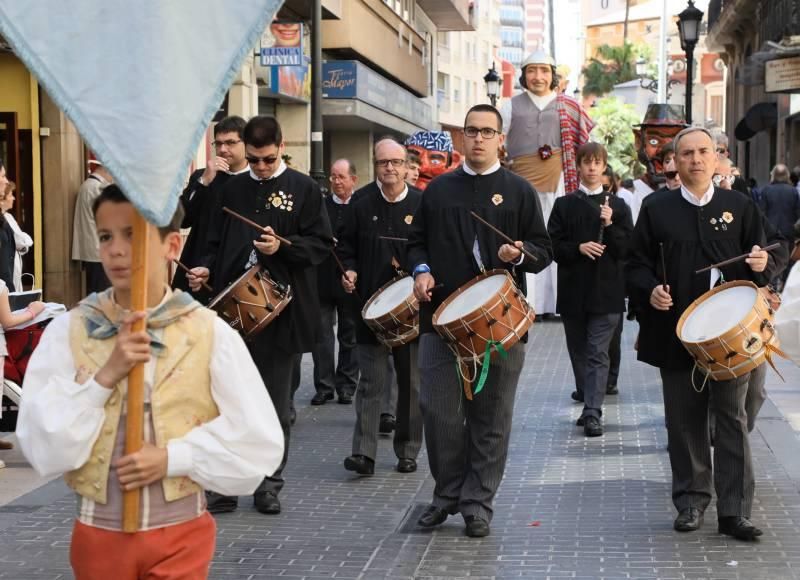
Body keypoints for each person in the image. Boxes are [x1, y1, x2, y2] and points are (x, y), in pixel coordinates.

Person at [16, 184, 283, 579]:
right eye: (105, 236)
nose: (116, 250)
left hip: (180, 537)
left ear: (171, 245)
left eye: (132, 235)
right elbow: (42, 444)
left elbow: (258, 439)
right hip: (100, 538)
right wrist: (105, 378)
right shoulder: (70, 331)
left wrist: (174, 458)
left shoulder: (207, 332)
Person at [408, 104, 553, 537]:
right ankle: (447, 494)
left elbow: (544, 251)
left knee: (491, 418)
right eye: (471, 131)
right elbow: (416, 243)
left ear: (500, 139)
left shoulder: (519, 190)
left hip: (499, 324)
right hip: (441, 320)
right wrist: (421, 270)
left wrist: (520, 254)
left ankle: (477, 503)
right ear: (462, 137)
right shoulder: (438, 190)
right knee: (438, 412)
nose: (478, 138)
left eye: (487, 132)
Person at [627, 127, 773, 541]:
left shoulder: (739, 206)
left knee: (733, 419)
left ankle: (735, 511)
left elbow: (764, 255)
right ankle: (691, 500)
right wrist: (648, 290)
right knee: (683, 420)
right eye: (687, 153)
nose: (695, 159)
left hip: (730, 335)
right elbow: (634, 263)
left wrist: (762, 264)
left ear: (716, 157)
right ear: (674, 160)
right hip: (676, 332)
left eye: (703, 151)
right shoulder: (656, 208)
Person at [189, 115, 332, 516]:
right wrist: (204, 269)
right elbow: (211, 240)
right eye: (254, 160)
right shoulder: (231, 188)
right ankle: (226, 485)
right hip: (231, 311)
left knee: (273, 404)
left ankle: (268, 484)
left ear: (281, 147)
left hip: (281, 312)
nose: (262, 167)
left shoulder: (304, 188)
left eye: (269, 159)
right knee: (227, 401)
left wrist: (282, 247)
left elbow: (321, 244)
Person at [338, 139, 423, 476]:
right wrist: (349, 270)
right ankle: (364, 454)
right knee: (371, 382)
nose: (389, 168)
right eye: (383, 162)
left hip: (412, 310)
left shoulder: (422, 203)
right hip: (369, 308)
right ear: (375, 165)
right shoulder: (359, 203)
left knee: (411, 384)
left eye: (396, 162)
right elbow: (345, 247)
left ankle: (408, 450)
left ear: (406, 166)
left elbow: (431, 248)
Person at [501, 50, 593, 318]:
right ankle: (529, 303)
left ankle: (557, 305)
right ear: (524, 75)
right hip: (520, 183)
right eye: (532, 70)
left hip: (560, 181)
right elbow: (499, 142)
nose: (538, 76)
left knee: (556, 237)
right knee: (526, 239)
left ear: (553, 75)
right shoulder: (509, 106)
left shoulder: (569, 105)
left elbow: (586, 143)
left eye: (544, 70)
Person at [549, 143, 633, 436]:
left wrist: (610, 225)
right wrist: (578, 248)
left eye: (597, 162)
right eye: (587, 162)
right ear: (579, 166)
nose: (592, 167)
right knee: (579, 351)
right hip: (573, 291)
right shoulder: (563, 205)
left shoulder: (618, 207)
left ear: (604, 166)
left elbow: (627, 249)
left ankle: (592, 412)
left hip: (607, 292)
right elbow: (551, 246)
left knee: (597, 352)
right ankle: (588, 398)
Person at [713, 157, 788, 434]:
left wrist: (765, 261)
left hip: (748, 314)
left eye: (729, 177)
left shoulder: (744, 206)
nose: (724, 183)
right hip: (708, 313)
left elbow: (778, 243)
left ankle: (736, 434)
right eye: (717, 178)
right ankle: (718, 434)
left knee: (755, 388)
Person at [173, 116, 248, 299]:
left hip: (238, 274)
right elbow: (182, 219)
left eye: (230, 143)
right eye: (218, 143)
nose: (222, 149)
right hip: (196, 271)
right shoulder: (203, 176)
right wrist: (204, 181)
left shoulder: (256, 181)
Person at [310, 159, 359, 406]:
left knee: (350, 335)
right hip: (323, 279)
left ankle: (347, 386)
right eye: (333, 177)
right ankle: (324, 386)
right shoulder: (321, 206)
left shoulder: (360, 206)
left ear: (353, 180)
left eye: (341, 177)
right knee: (322, 336)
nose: (336, 182)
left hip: (350, 280)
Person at [72, 159, 114, 294]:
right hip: (97, 252)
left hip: (94, 250)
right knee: (101, 293)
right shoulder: (95, 188)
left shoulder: (89, 186)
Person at [759, 164, 799, 288]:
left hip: (771, 231)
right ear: (787, 175)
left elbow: (761, 212)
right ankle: (786, 284)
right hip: (788, 230)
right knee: (788, 258)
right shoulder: (793, 191)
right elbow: (797, 212)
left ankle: (772, 285)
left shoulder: (766, 190)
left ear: (774, 175)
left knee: (772, 257)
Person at [2, 181, 33, 291]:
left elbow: (25, 241)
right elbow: (20, 240)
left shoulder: (9, 217)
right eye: (11, 195)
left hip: (14, 270)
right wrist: (22, 241)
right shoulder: (4, 219)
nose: (14, 198)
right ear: (2, 198)